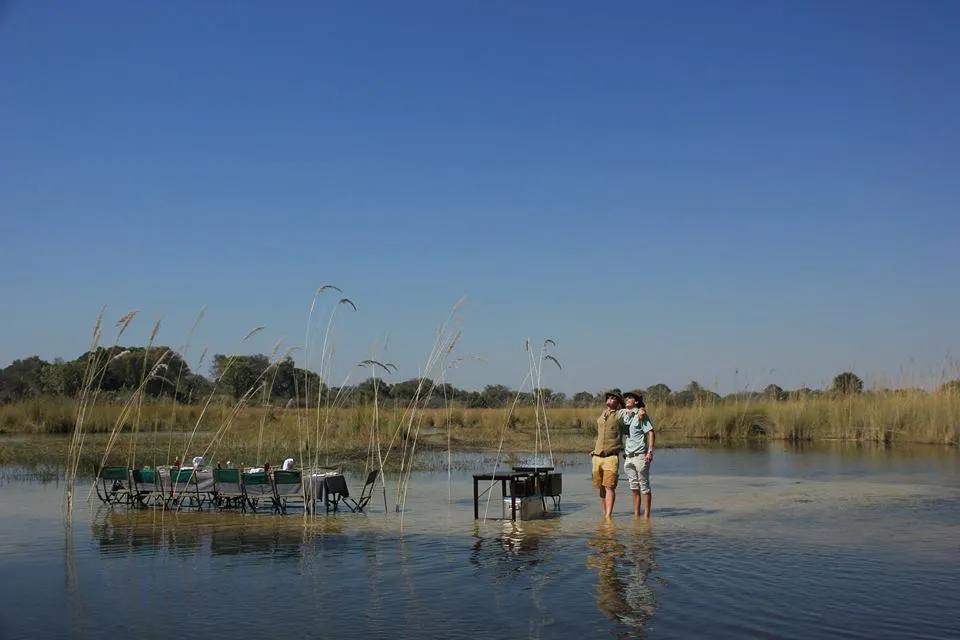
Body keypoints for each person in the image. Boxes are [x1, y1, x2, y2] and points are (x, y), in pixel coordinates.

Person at [590, 389, 630, 519]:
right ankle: (604, 513)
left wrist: (641, 410)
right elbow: (601, 435)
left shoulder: (619, 414)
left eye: (614, 398)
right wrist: (595, 450)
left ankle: (609, 515)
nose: (610, 399)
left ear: (618, 402)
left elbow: (631, 412)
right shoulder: (603, 414)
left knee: (609, 486)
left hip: (611, 456)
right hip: (597, 456)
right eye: (609, 397)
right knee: (600, 487)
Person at [622, 391, 655, 519]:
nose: (627, 399)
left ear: (636, 401)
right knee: (633, 487)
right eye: (626, 398)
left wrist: (650, 451)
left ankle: (647, 517)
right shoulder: (625, 415)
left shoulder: (642, 415)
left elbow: (650, 432)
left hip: (640, 455)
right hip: (628, 457)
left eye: (630, 398)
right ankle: (636, 516)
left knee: (644, 486)